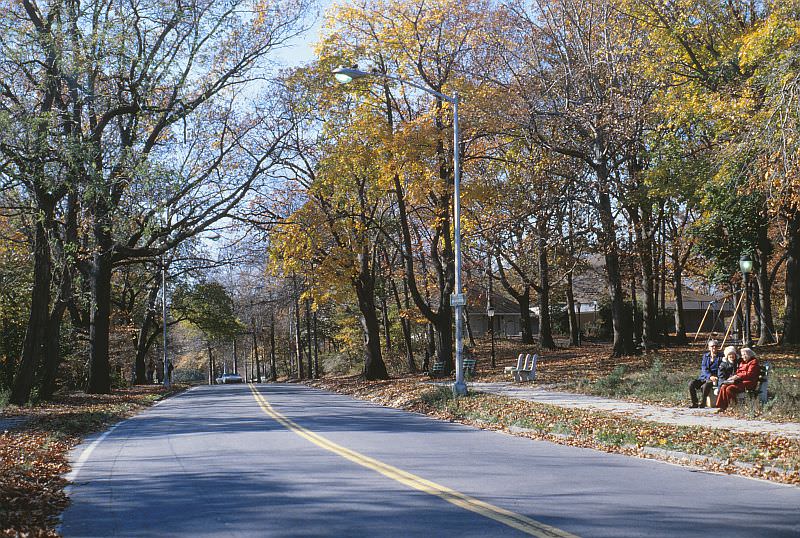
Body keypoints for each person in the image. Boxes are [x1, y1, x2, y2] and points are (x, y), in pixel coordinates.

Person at [715, 347, 760, 413]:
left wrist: (737, 376)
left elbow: (749, 374)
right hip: (741, 381)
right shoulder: (743, 362)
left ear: (750, 354)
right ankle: (721, 407)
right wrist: (733, 377)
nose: (743, 356)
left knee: (729, 388)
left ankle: (735, 406)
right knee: (723, 386)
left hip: (750, 383)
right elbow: (738, 372)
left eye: (745, 354)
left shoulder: (754, 362)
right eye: (742, 355)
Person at [688, 339, 722, 408]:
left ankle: (703, 402)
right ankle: (694, 403)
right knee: (691, 383)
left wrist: (715, 377)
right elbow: (704, 368)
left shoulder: (721, 356)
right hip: (704, 377)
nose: (714, 348)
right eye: (712, 346)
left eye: (716, 346)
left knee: (706, 386)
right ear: (709, 348)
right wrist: (709, 376)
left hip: (715, 378)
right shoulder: (705, 356)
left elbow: (721, 368)